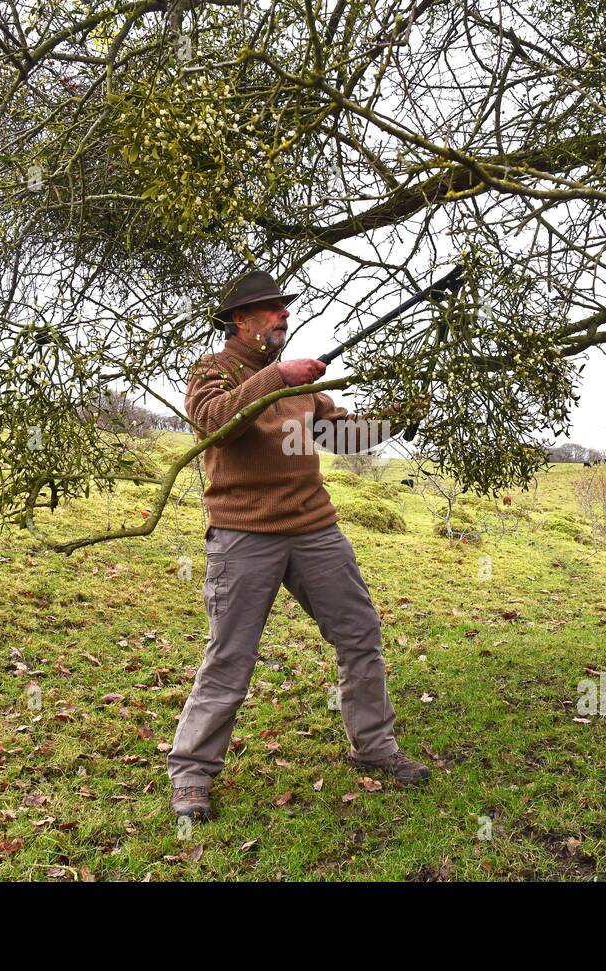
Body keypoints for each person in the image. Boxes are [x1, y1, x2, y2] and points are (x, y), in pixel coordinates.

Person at [167, 269, 431, 820]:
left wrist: (400, 417)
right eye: (270, 309)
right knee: (231, 657)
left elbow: (342, 435)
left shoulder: (302, 387)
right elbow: (217, 422)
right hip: (243, 534)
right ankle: (192, 776)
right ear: (241, 321)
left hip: (314, 529)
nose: (283, 315)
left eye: (284, 307)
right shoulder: (211, 373)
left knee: (359, 635)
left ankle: (374, 748)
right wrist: (278, 376)